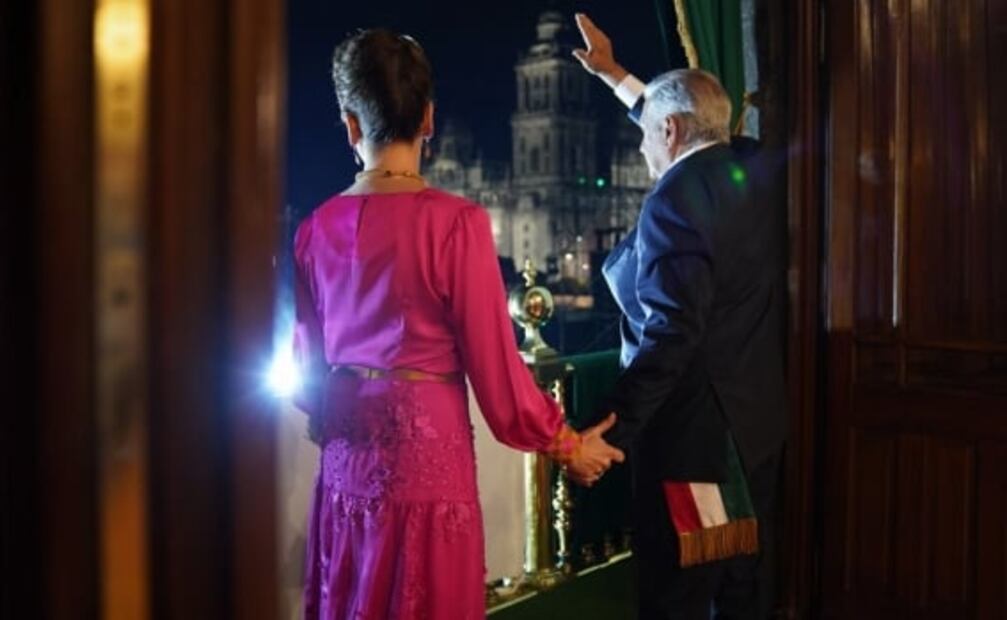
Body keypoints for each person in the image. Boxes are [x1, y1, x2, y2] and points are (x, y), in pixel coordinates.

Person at [291, 28, 624, 620]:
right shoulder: (456, 224)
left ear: (350, 125)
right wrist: (568, 444)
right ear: (428, 119)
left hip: (346, 468)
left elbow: (304, 375)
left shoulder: (315, 230)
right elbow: (498, 376)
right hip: (429, 467)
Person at [570, 14, 789, 620]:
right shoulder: (753, 169)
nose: (642, 146)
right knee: (743, 594)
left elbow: (671, 333)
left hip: (699, 450)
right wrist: (617, 76)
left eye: (648, 134)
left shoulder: (673, 200)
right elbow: (692, 116)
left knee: (679, 598)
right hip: (755, 434)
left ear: (669, 130)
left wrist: (610, 430)